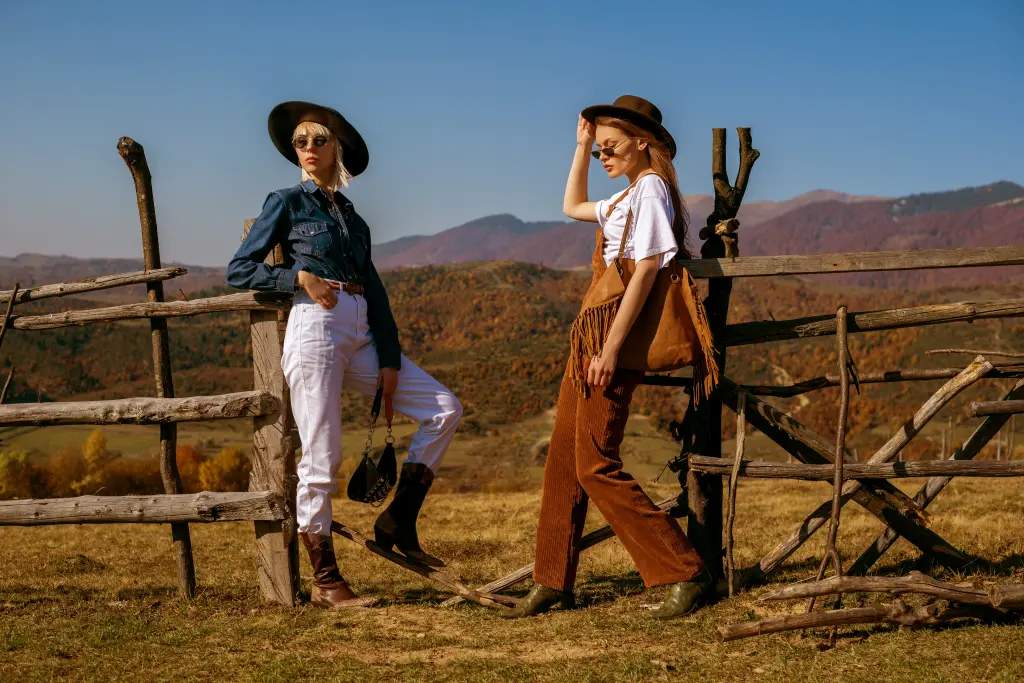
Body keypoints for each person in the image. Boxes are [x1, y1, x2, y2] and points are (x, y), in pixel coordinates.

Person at [226, 101, 462, 609]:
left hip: (360, 328)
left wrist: (391, 361)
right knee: (321, 456)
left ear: (338, 149)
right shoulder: (287, 201)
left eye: (317, 141)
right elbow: (239, 268)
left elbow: (375, 292)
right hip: (315, 326)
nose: (307, 150)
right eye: (299, 143)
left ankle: (397, 518)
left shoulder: (353, 219)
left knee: (444, 408)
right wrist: (297, 278)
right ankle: (327, 580)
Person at [505, 95, 714, 620]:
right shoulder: (624, 198)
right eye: (599, 150)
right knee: (562, 465)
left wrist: (612, 348)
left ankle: (685, 571)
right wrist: (579, 147)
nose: (603, 156)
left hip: (609, 341)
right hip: (590, 338)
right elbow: (572, 207)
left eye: (610, 146)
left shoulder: (651, 192)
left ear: (644, 142)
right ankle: (552, 580)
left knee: (596, 464)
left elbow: (646, 271)